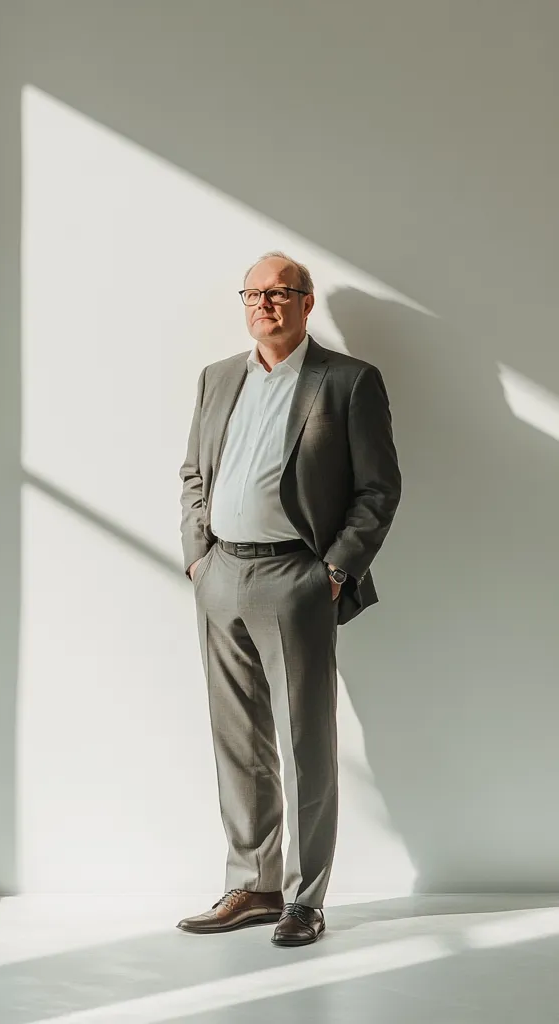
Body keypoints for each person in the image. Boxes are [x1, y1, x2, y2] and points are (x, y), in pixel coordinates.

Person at [177, 251, 401, 947]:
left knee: (305, 740)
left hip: (296, 578)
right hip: (221, 577)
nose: (264, 303)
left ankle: (305, 898)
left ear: (306, 303)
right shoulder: (218, 379)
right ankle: (254, 883)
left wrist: (333, 570)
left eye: (280, 293)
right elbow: (193, 472)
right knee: (238, 741)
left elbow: (378, 489)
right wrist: (197, 557)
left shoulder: (347, 381)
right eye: (254, 293)